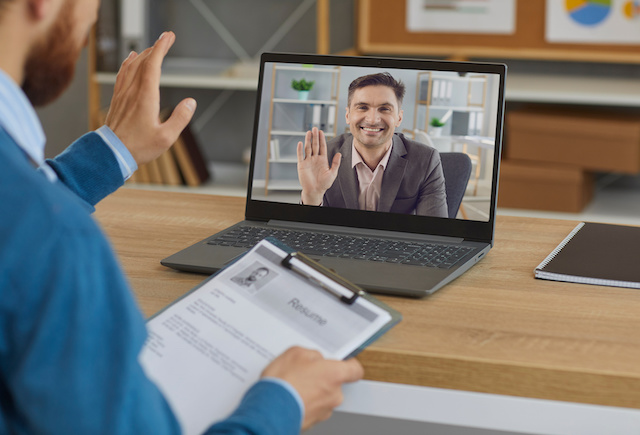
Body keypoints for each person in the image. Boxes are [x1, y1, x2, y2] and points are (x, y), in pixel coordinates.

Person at [0, 0, 363, 433]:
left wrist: (112, 151)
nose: (95, 16)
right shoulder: (56, 240)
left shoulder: (32, 221)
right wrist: (282, 405)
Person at [297, 72, 448, 217]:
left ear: (399, 118)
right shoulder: (325, 157)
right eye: (362, 107)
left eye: (384, 109)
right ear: (348, 115)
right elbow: (310, 232)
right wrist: (312, 197)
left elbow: (434, 230)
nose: (372, 119)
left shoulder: (426, 160)